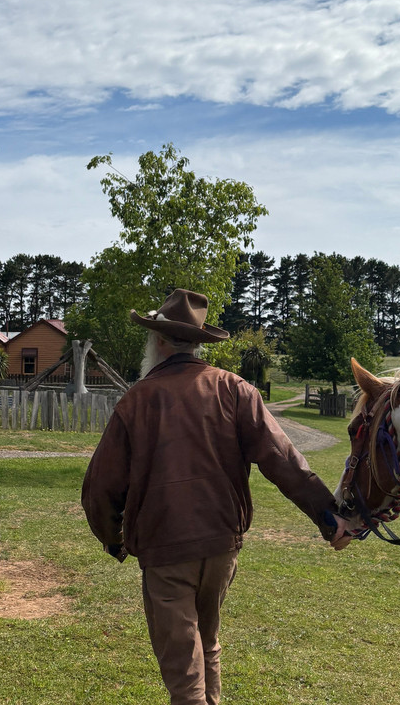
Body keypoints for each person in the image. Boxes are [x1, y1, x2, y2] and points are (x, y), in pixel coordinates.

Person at [81, 288, 352, 705]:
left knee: (184, 676)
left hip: (165, 550)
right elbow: (284, 460)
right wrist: (329, 517)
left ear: (159, 340)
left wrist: (113, 538)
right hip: (222, 546)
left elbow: (101, 486)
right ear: (198, 343)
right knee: (207, 645)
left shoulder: (136, 402)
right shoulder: (236, 390)